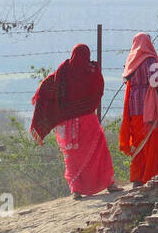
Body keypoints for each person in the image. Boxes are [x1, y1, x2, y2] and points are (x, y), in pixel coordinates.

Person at [29, 43, 120, 198]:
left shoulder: (63, 72)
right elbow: (99, 88)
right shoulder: (91, 71)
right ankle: (109, 184)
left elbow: (46, 87)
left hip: (67, 122)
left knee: (72, 157)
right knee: (99, 152)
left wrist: (40, 98)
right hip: (88, 121)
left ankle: (76, 190)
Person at [118, 32, 158, 186]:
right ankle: (150, 175)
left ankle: (137, 177)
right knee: (151, 142)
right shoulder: (150, 59)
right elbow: (155, 82)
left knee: (138, 141)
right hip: (149, 106)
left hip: (134, 106)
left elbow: (126, 79)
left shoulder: (131, 60)